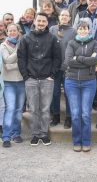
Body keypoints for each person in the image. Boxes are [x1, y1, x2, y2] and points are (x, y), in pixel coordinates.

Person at [17, 12, 61, 146]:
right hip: (31, 79)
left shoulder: (52, 38)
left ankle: (44, 133)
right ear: (34, 22)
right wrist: (26, 76)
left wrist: (52, 75)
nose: (41, 23)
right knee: (34, 108)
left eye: (44, 21)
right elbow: (21, 58)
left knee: (45, 108)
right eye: (39, 21)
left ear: (47, 23)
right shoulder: (26, 38)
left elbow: (57, 58)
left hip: (47, 79)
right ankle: (35, 134)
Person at [64, 20, 97, 152]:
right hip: (72, 81)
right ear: (77, 30)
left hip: (89, 82)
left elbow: (96, 59)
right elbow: (68, 60)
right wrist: (87, 61)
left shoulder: (95, 43)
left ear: (89, 30)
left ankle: (86, 141)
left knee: (85, 114)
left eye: (85, 28)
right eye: (80, 28)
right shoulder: (71, 43)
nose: (83, 30)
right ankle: (77, 141)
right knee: (75, 114)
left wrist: (78, 58)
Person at [49, 9, 76, 128]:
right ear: (59, 17)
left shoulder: (73, 31)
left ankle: (68, 118)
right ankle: (56, 116)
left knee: (68, 93)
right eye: (62, 15)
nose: (64, 17)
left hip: (68, 67)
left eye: (67, 15)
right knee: (55, 93)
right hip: (55, 67)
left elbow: (75, 49)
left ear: (70, 18)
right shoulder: (52, 29)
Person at [0, 24, 25, 148]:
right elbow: (7, 60)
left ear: (18, 32)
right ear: (7, 32)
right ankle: (6, 136)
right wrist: (18, 52)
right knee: (10, 108)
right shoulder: (3, 46)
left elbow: (24, 62)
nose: (12, 32)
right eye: (10, 30)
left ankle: (16, 134)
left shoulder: (23, 44)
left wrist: (12, 65)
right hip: (9, 82)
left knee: (19, 109)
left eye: (14, 30)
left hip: (21, 81)